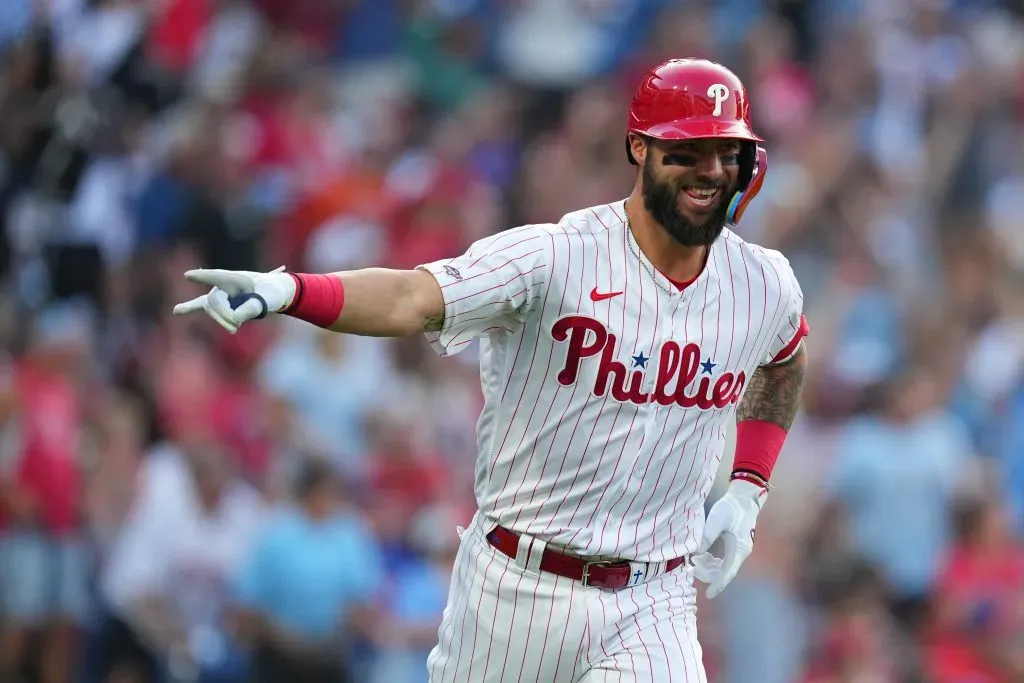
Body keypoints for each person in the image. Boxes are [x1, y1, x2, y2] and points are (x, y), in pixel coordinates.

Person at [173, 58, 809, 683]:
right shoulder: (554, 258)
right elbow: (410, 299)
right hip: (516, 588)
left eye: (727, 152)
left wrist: (748, 489)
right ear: (640, 150)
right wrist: (290, 292)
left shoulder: (763, 283)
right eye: (688, 151)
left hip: (655, 597)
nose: (711, 170)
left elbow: (783, 360)